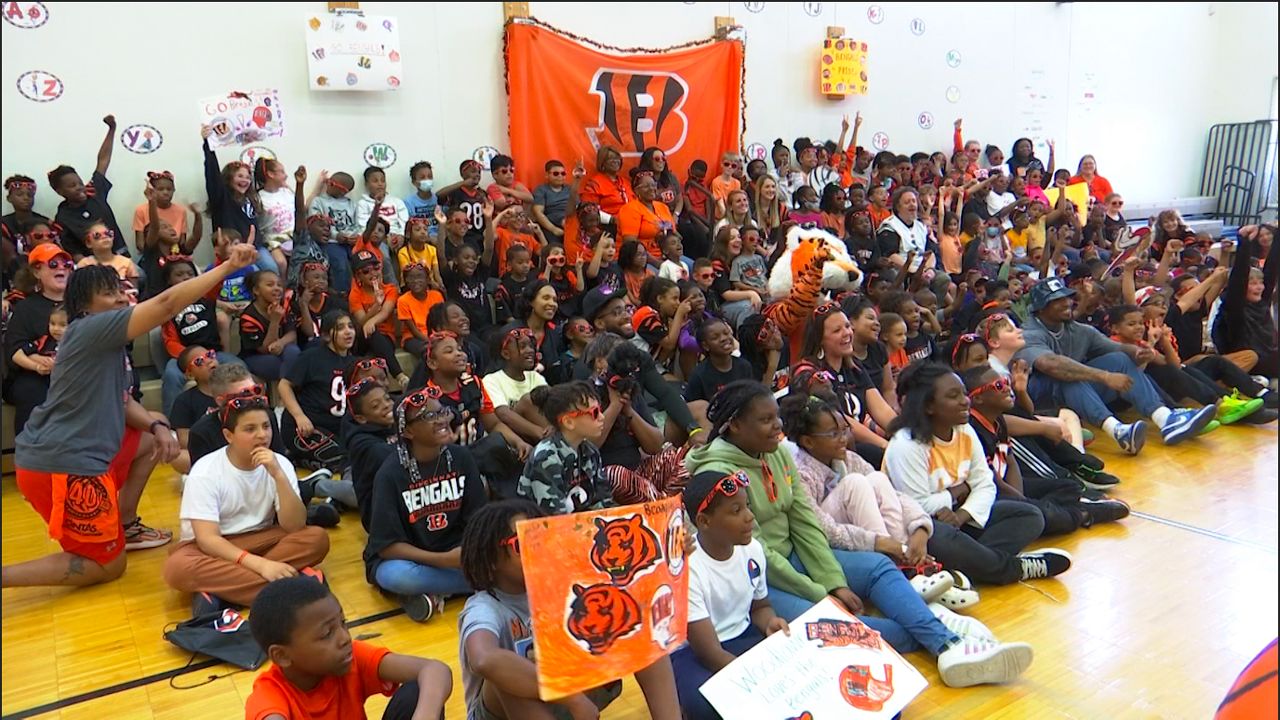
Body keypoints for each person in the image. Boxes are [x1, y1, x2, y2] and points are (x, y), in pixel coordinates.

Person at [685, 380, 1035, 686]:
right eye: (765, 420)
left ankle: (945, 645)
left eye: (776, 416)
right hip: (763, 576)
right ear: (733, 427)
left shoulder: (774, 453)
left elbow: (805, 521)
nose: (778, 426)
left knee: (878, 568)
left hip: (797, 556)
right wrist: (820, 592)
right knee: (836, 623)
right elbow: (757, 551)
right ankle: (938, 630)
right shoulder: (720, 472)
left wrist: (833, 579)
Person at [3, 243, 258, 589]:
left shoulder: (101, 342)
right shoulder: (91, 329)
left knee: (152, 435)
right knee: (108, 567)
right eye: (109, 294)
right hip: (62, 464)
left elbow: (121, 401)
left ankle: (126, 525)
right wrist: (227, 267)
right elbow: (167, 304)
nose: (122, 298)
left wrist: (157, 425)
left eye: (121, 290)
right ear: (85, 307)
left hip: (71, 453)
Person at [884, 362, 1072, 586]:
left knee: (1029, 515)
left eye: (964, 393)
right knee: (942, 536)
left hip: (961, 517)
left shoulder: (964, 430)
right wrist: (957, 492)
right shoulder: (907, 444)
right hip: (921, 529)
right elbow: (916, 506)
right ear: (929, 406)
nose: (965, 400)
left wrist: (962, 515)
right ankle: (1014, 568)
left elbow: (985, 484)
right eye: (953, 396)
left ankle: (965, 569)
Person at [458, 500, 648, 720]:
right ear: (491, 559)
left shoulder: (560, 587)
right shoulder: (484, 607)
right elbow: (484, 658)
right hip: (508, 712)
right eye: (522, 543)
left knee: (642, 624)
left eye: (540, 538)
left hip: (560, 700)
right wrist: (572, 697)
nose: (536, 548)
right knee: (502, 678)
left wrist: (673, 551)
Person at [162, 390, 329, 612]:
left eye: (266, 426)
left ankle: (221, 593)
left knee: (316, 538)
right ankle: (291, 590)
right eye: (250, 429)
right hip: (213, 546)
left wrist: (278, 475)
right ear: (229, 436)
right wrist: (262, 565)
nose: (262, 435)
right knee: (177, 568)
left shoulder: (280, 463)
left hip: (263, 537)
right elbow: (207, 539)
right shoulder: (205, 470)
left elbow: (294, 525)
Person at [1018, 277, 1218, 454]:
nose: (1066, 303)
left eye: (1067, 297)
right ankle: (1117, 431)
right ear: (1041, 307)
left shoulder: (1079, 330)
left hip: (1075, 394)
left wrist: (1139, 352)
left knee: (1119, 360)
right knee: (1071, 375)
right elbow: (1051, 365)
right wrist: (1104, 376)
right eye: (1057, 300)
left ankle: (1165, 419)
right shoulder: (1029, 333)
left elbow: (1116, 348)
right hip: (1037, 401)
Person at [245, 575, 452, 720]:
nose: (344, 638)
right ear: (281, 656)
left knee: (416, 695)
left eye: (343, 623)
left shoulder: (348, 657)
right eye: (327, 633)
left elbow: (435, 669)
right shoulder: (269, 698)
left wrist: (425, 715)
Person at [672, 470, 791, 720]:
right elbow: (709, 652)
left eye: (747, 506)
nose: (749, 517)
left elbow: (759, 607)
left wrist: (770, 622)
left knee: (795, 670)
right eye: (736, 511)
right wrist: (757, 684)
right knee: (710, 705)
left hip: (743, 635)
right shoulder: (689, 566)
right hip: (694, 653)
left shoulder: (753, 550)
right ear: (704, 522)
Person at [963, 365, 1131, 536]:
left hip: (1011, 487)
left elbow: (1011, 462)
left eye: (1006, 381)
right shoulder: (973, 431)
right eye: (998, 386)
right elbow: (995, 483)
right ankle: (1082, 514)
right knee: (1041, 514)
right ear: (977, 399)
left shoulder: (998, 420)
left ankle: (1061, 511)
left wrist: (1023, 501)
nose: (1007, 387)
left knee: (1069, 487)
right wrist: (1025, 504)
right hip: (992, 494)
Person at [365, 389, 485, 622]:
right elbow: (387, 547)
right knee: (396, 576)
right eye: (429, 416)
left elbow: (478, 519)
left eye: (442, 412)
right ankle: (480, 583)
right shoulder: (390, 474)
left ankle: (435, 591)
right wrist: (443, 560)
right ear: (408, 431)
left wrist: (469, 551)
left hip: (458, 553)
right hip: (411, 560)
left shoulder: (462, 458)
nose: (441, 419)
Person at [516, 381, 613, 514]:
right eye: (594, 412)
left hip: (583, 525)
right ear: (568, 422)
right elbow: (554, 516)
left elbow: (604, 500)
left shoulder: (590, 450)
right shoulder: (546, 458)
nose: (602, 417)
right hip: (544, 529)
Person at [279, 310, 358, 471]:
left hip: (336, 429)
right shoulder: (312, 357)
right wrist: (300, 417)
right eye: (341, 328)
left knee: (360, 455)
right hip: (304, 427)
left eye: (350, 326)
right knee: (342, 461)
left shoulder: (354, 363)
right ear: (327, 335)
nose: (348, 331)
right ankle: (297, 460)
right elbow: (284, 385)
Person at [4, 243, 70, 433]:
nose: (61, 268)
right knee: (32, 391)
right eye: (53, 264)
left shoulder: (81, 303)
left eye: (66, 264)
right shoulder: (26, 307)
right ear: (36, 271)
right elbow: (14, 348)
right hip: (33, 375)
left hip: (74, 370)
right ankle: (29, 457)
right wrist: (37, 365)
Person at [52, 115, 128, 259]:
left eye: (80, 183)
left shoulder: (94, 191)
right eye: (72, 186)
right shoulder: (63, 216)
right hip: (95, 267)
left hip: (121, 258)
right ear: (59, 191)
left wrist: (112, 129)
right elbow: (74, 252)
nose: (79, 188)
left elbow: (103, 160)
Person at [1213, 231, 1279, 379]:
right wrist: (1244, 243)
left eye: (1260, 283)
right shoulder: (1234, 308)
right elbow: (1239, 277)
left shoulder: (1261, 303)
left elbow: (1272, 270)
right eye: (1253, 283)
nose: (1260, 287)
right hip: (1247, 363)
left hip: (1268, 359)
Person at [617, 172, 677, 262]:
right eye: (646, 186)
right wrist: (658, 264)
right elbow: (631, 245)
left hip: (668, 255)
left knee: (691, 268)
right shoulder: (630, 209)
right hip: (642, 260)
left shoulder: (663, 207)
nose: (651, 188)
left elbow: (673, 233)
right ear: (636, 191)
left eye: (653, 185)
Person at [579, 146, 632, 221]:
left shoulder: (625, 182)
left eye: (617, 158)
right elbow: (587, 210)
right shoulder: (595, 183)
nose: (615, 161)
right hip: (610, 225)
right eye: (611, 158)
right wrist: (610, 220)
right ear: (602, 162)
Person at [531, 160, 570, 237]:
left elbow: (578, 207)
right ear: (547, 175)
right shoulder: (541, 190)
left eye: (563, 173)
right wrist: (553, 229)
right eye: (556, 174)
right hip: (551, 223)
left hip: (569, 219)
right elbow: (538, 213)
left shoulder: (569, 189)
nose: (560, 176)